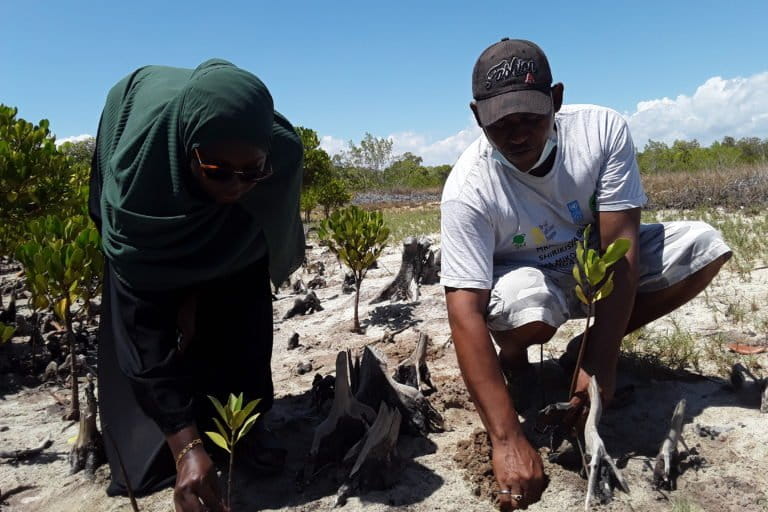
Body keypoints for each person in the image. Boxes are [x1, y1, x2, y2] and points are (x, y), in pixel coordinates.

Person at [440, 39, 732, 510]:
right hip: (527, 283)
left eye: (530, 119)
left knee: (704, 245)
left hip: (595, 268)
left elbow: (622, 252)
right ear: (477, 117)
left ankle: (582, 348)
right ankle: (516, 362)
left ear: (556, 99)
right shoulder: (467, 189)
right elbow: (464, 313)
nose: (517, 135)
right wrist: (506, 438)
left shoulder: (602, 131)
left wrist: (600, 359)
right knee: (529, 304)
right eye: (501, 124)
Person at [88, 59, 304, 512]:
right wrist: (185, 446)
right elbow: (140, 329)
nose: (236, 185)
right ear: (188, 151)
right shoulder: (136, 188)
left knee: (240, 296)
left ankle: (242, 427)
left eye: (252, 171)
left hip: (219, 204)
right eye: (218, 170)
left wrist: (204, 293)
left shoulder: (277, 154)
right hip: (149, 181)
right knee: (146, 463)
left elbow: (252, 277)